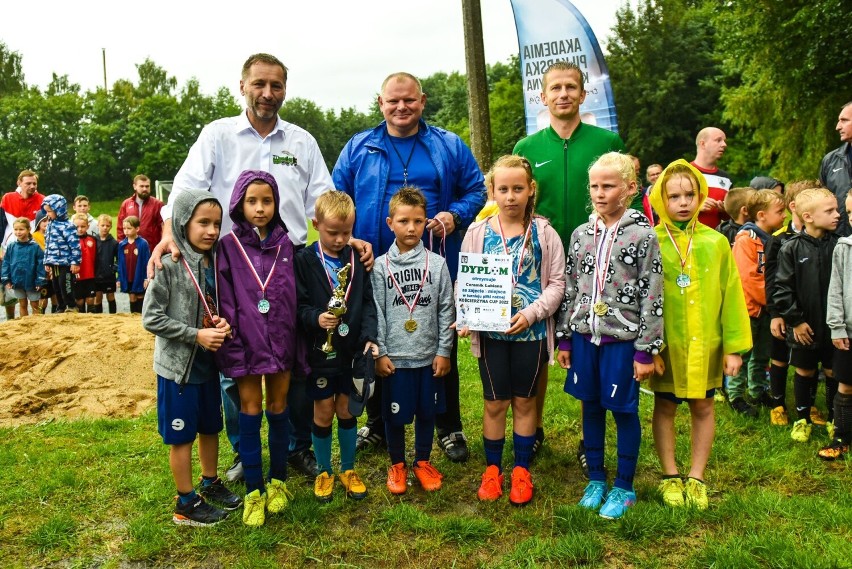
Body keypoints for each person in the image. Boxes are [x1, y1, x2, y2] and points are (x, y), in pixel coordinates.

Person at [155, 53, 365, 480]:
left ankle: (296, 446)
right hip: (232, 264)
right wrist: (168, 233)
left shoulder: (301, 141)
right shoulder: (218, 135)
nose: (268, 93)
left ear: (285, 89)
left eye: (276, 86)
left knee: (297, 354)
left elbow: (322, 200)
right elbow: (184, 190)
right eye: (260, 84)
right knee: (237, 357)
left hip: (290, 264)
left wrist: (344, 234)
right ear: (243, 86)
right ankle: (243, 451)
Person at [333, 71, 485, 462]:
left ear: (423, 100)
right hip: (374, 263)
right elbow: (336, 196)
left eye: (409, 100)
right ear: (380, 102)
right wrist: (350, 237)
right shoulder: (358, 147)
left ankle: (448, 426)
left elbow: (476, 190)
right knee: (377, 338)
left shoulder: (448, 145)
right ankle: (380, 423)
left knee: (438, 339)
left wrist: (454, 214)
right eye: (393, 101)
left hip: (432, 265)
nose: (401, 107)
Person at [512, 60, 626, 471]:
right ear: (542, 96)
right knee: (536, 351)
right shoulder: (527, 148)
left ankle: (586, 437)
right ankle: (534, 428)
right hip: (540, 263)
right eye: (555, 88)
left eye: (570, 87)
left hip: (596, 261)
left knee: (589, 347)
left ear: (583, 94)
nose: (563, 94)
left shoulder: (607, 140)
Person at [556, 152, 664, 518]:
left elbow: (653, 292)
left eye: (608, 185)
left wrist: (646, 350)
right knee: (590, 405)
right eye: (594, 186)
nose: (600, 193)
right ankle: (597, 478)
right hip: (586, 336)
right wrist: (565, 338)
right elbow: (571, 286)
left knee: (622, 410)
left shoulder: (643, 235)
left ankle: (624, 485)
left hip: (623, 340)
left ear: (630, 188)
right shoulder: (580, 234)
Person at [458, 155, 565, 506]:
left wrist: (533, 314)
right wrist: (466, 316)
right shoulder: (477, 233)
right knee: (494, 404)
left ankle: (521, 469)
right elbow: (465, 282)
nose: (510, 196)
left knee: (524, 401)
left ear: (530, 189)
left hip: (530, 335)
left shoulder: (544, 232)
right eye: (503, 189)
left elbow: (557, 284)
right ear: (492, 191)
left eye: (518, 188)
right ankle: (493, 470)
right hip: (491, 336)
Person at [647, 160, 750, 510]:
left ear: (701, 196)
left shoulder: (716, 242)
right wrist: (649, 349)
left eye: (690, 194)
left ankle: (697, 476)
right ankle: (670, 475)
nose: (683, 202)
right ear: (661, 199)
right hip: (667, 347)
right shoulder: (651, 243)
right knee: (665, 406)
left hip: (706, 345)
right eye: (674, 196)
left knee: (704, 406)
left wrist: (733, 348)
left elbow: (732, 294)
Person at [141, 189, 242, 526]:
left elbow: (214, 306)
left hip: (207, 367)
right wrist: (195, 335)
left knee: (210, 426)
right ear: (183, 223)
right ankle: (185, 503)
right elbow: (151, 318)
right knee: (182, 436)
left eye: (216, 224)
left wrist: (220, 323)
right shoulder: (168, 265)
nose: (212, 231)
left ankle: (210, 482)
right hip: (178, 371)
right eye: (203, 223)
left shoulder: (214, 262)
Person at [214, 170, 298, 526]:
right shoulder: (227, 247)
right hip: (245, 345)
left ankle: (278, 481)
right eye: (252, 201)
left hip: (280, 344)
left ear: (276, 204)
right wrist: (234, 338)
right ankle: (253, 490)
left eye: (267, 201)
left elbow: (293, 295)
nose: (260, 208)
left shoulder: (287, 245)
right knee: (249, 412)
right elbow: (224, 297)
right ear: (238, 204)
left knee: (278, 409)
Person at [295, 190, 378, 502]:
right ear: (316, 224)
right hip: (321, 351)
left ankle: (348, 468)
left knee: (346, 407)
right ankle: (323, 470)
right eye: (332, 232)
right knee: (324, 409)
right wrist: (316, 319)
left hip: (352, 349)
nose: (341, 239)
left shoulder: (356, 260)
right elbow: (298, 306)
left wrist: (369, 336)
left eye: (347, 232)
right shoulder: (304, 261)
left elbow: (368, 302)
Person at [371, 188, 454, 494]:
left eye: (418, 221)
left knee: (427, 412)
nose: (411, 228)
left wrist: (444, 350)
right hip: (395, 359)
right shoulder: (380, 267)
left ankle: (422, 462)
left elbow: (447, 309)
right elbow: (376, 312)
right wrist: (379, 352)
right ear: (390, 222)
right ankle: (396, 464)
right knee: (395, 415)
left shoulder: (437, 264)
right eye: (404, 221)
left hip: (428, 356)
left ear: (425, 222)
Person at [773, 188, 840, 443]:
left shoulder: (840, 245)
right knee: (805, 371)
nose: (837, 215)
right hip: (804, 326)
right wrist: (796, 321)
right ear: (808, 217)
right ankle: (803, 419)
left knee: (835, 372)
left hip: (834, 327)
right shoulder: (791, 248)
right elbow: (782, 289)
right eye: (830, 211)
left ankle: (836, 420)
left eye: (836, 209)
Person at [727, 190, 786, 416]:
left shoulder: (773, 239)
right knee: (742, 354)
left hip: (765, 310)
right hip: (749, 309)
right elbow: (748, 278)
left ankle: (757, 390)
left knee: (762, 354)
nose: (784, 216)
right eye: (779, 212)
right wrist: (771, 301)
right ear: (761, 215)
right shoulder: (746, 240)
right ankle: (735, 395)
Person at [765, 181, 814, 426]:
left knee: (810, 355)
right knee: (780, 356)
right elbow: (772, 279)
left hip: (810, 310)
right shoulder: (779, 239)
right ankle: (778, 403)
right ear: (794, 206)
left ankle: (810, 404)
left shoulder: (823, 237)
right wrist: (776, 313)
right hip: (783, 310)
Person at [824, 190, 852, 460]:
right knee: (845, 384)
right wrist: (837, 326)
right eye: (850, 213)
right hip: (848, 334)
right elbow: (835, 292)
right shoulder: (844, 247)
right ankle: (841, 436)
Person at [42, 194, 81, 313]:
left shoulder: (67, 226)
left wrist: (75, 262)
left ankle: (72, 306)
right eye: (46, 211)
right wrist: (46, 261)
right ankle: (61, 306)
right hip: (54, 263)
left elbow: (75, 246)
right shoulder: (50, 225)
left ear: (59, 210)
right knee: (56, 286)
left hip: (66, 263)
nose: (47, 214)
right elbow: (47, 244)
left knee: (65, 284)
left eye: (49, 211)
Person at [1, 217, 46, 317]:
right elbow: (6, 263)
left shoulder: (35, 247)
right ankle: (24, 326)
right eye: (16, 229)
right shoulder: (11, 246)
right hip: (17, 281)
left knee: (35, 305)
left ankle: (36, 326)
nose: (18, 232)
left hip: (32, 281)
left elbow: (40, 265)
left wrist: (40, 280)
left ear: (29, 229)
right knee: (22, 304)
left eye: (21, 229)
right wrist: (6, 279)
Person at [819, 102, 852, 236]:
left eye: (844, 120)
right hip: (838, 242)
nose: (838, 127)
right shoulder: (830, 160)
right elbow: (820, 205)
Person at [691, 127, 733, 230]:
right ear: (703, 144)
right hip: (686, 240)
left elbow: (731, 218)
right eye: (718, 140)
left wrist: (725, 210)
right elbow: (665, 208)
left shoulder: (726, 179)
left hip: (714, 241)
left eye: (724, 141)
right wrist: (695, 207)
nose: (724, 144)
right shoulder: (682, 172)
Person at [117, 175, 164, 250]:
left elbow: (163, 228)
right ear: (134, 186)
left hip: (152, 249)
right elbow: (120, 228)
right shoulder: (126, 204)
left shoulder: (158, 204)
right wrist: (121, 246)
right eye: (141, 186)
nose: (145, 189)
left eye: (147, 186)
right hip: (131, 249)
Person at [118, 216, 150, 313]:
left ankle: (141, 317)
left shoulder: (143, 243)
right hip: (128, 276)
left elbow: (147, 261)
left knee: (140, 295)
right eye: (124, 228)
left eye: (129, 228)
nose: (126, 231)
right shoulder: (122, 244)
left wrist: (146, 277)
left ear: (137, 229)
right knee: (132, 296)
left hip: (139, 276)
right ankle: (133, 317)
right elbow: (120, 262)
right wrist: (119, 278)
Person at [1, 170, 44, 243]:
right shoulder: (7, 198)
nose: (32, 186)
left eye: (34, 183)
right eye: (28, 183)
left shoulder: (43, 200)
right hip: (10, 246)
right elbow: (1, 225)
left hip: (34, 247)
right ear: (19, 183)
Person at [72, 213, 98, 313]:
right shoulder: (71, 240)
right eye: (77, 226)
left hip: (90, 275)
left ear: (87, 226)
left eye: (83, 226)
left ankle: (92, 322)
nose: (80, 229)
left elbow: (97, 257)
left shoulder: (93, 239)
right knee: (79, 301)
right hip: (77, 276)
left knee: (91, 299)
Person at [94, 214, 119, 314]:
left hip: (109, 276)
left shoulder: (114, 243)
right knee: (98, 297)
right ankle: (98, 318)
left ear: (111, 227)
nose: (105, 228)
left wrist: (113, 268)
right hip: (96, 275)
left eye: (107, 226)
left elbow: (118, 258)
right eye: (102, 225)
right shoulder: (93, 241)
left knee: (110, 296)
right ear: (98, 225)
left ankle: (113, 317)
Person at [32, 211, 56, 314]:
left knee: (56, 295)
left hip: (55, 270)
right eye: (44, 221)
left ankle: (56, 315)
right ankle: (41, 317)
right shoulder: (34, 237)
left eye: (49, 220)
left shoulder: (55, 235)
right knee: (43, 297)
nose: (47, 223)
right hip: (41, 272)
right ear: (38, 222)